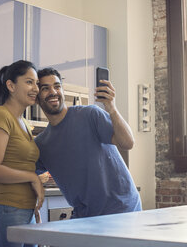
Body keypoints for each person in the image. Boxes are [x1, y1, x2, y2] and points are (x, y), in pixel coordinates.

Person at [35, 67, 142, 218]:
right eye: (45, 88)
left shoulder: (90, 114)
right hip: (85, 217)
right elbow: (23, 173)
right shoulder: (42, 144)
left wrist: (111, 108)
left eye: (57, 86)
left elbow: (128, 143)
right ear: (36, 98)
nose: (53, 92)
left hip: (123, 210)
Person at [0, 60, 44, 247]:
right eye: (29, 82)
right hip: (4, 211)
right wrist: (33, 178)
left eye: (36, 83)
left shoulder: (22, 122)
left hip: (23, 212)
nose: (36, 89)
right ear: (11, 85)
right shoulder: (1, 116)